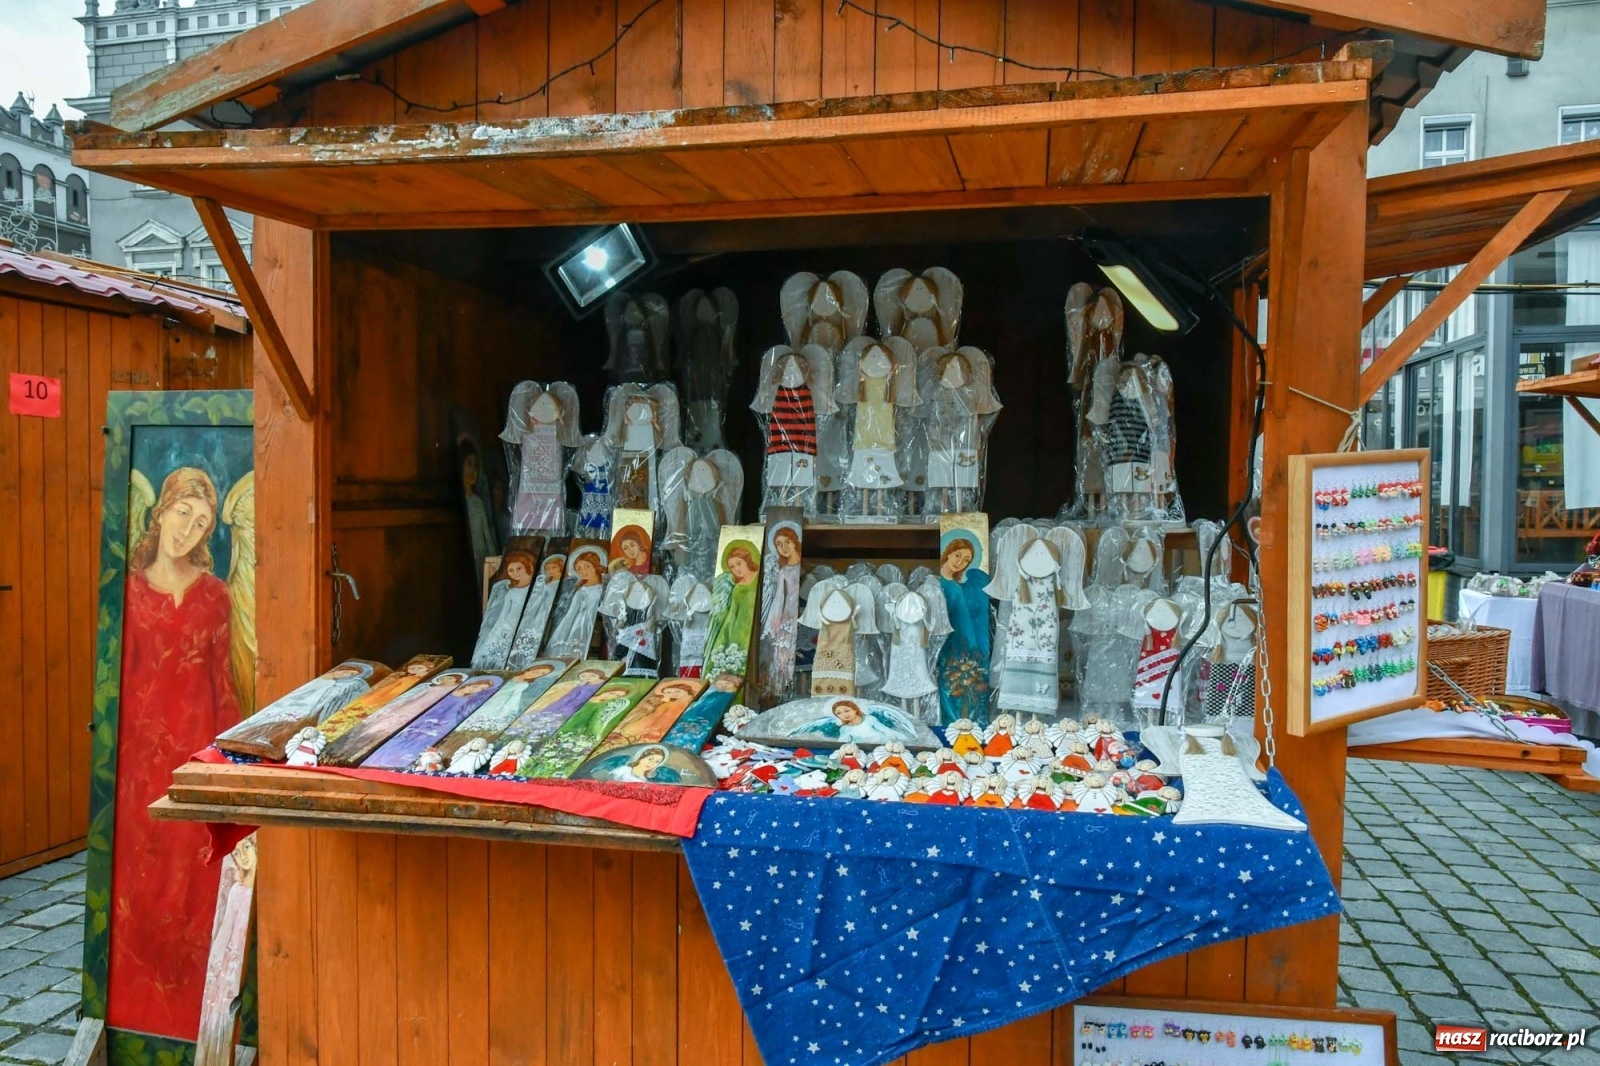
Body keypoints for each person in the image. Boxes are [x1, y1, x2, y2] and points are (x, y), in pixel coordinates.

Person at [113, 466, 243, 1039]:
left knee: (190, 889)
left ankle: (196, 1024)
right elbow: (113, 680)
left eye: (203, 521)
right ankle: (130, 1019)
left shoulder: (215, 597)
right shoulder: (126, 590)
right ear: (160, 511)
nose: (189, 528)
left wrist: (233, 767)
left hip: (191, 760)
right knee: (136, 888)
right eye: (183, 511)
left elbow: (224, 687)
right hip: (136, 765)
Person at [935, 533, 991, 725]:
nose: (961, 562)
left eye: (966, 560)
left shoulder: (956, 587)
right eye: (958, 555)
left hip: (957, 642)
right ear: (948, 552)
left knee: (958, 686)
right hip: (939, 642)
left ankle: (962, 723)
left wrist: (973, 644)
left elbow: (964, 619)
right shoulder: (934, 583)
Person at [703, 542, 760, 678]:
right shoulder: (738, 589)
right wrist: (723, 640)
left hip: (759, 630)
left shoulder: (760, 579)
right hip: (739, 635)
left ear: (747, 560)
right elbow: (732, 616)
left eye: (739, 563)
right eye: (732, 567)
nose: (737, 569)